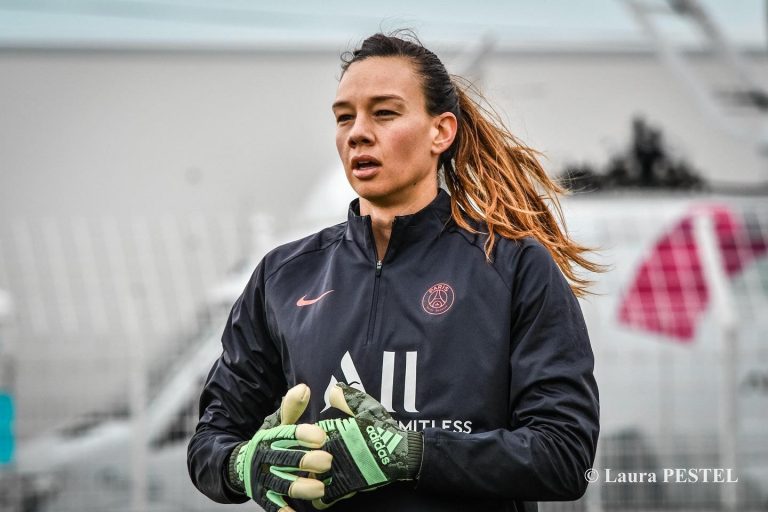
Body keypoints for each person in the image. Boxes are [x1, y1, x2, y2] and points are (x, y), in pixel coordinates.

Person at [188, 31, 601, 512]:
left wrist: (411, 455)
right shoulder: (283, 276)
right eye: (345, 117)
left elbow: (567, 458)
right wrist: (244, 465)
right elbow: (208, 445)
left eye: (384, 113)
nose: (358, 132)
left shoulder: (514, 266)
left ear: (440, 131)